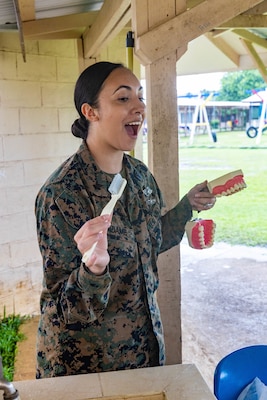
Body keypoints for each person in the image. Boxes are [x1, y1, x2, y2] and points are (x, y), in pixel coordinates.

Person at [35, 61, 216, 378]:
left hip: (144, 355)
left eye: (140, 96)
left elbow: (152, 240)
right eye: (123, 98)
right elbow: (62, 310)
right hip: (87, 368)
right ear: (91, 112)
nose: (139, 107)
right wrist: (93, 269)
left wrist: (188, 206)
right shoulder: (63, 194)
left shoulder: (140, 176)